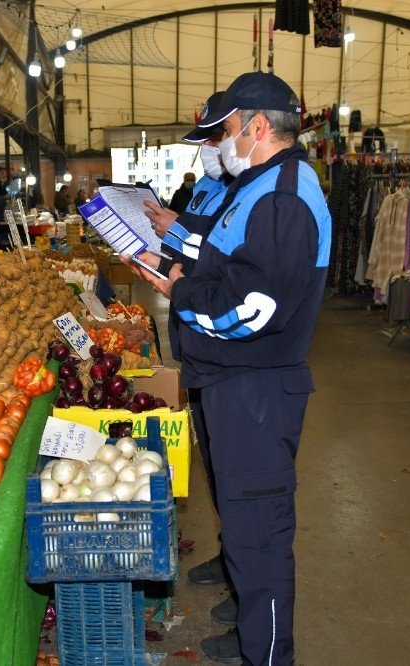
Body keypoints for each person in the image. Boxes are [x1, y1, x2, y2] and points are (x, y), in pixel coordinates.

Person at [128, 72, 331, 664]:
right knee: (244, 534)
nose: (221, 142)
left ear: (258, 126)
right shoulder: (260, 185)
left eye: (227, 130)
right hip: (234, 382)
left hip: (257, 390)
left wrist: (177, 290)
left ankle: (267, 655)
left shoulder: (283, 198)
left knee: (260, 541)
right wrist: (177, 259)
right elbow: (225, 255)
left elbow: (251, 308)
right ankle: (253, 638)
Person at [142, 91, 236, 611]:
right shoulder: (203, 187)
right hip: (193, 334)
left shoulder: (246, 193)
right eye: (202, 140)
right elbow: (187, 244)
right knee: (215, 462)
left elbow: (219, 259)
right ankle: (230, 554)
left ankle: (241, 566)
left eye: (214, 138)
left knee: (233, 468)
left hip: (219, 336)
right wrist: (159, 235)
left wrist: (173, 232)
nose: (206, 150)